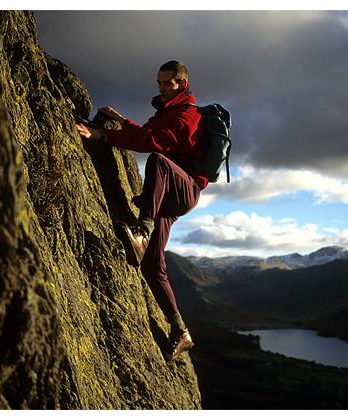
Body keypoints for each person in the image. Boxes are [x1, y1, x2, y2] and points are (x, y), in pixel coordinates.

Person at [76, 60, 206, 362]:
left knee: (159, 161)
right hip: (171, 192)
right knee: (151, 265)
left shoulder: (187, 115)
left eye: (168, 83)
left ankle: (141, 231)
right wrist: (122, 122)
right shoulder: (168, 111)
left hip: (185, 190)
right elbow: (146, 133)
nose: (161, 88)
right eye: (159, 82)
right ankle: (181, 331)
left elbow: (151, 143)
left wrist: (103, 136)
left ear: (181, 83)